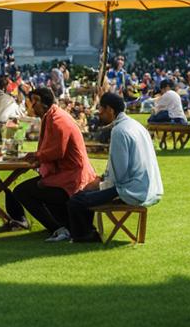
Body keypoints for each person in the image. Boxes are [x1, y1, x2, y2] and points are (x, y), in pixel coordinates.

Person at [67, 92, 162, 243]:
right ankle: (88, 232)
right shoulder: (135, 125)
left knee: (77, 200)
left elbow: (120, 177)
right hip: (149, 188)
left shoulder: (119, 131)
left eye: (101, 110)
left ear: (110, 110)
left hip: (131, 190)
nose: (99, 114)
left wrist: (99, 185)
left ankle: (84, 236)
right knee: (86, 194)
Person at [5, 87, 94, 240]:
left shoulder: (58, 120)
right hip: (67, 174)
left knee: (22, 191)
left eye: (34, 101)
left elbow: (58, 151)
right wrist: (37, 156)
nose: (32, 106)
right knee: (31, 187)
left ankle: (58, 229)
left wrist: (37, 156)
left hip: (72, 178)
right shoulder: (53, 116)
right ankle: (62, 225)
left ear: (43, 102)